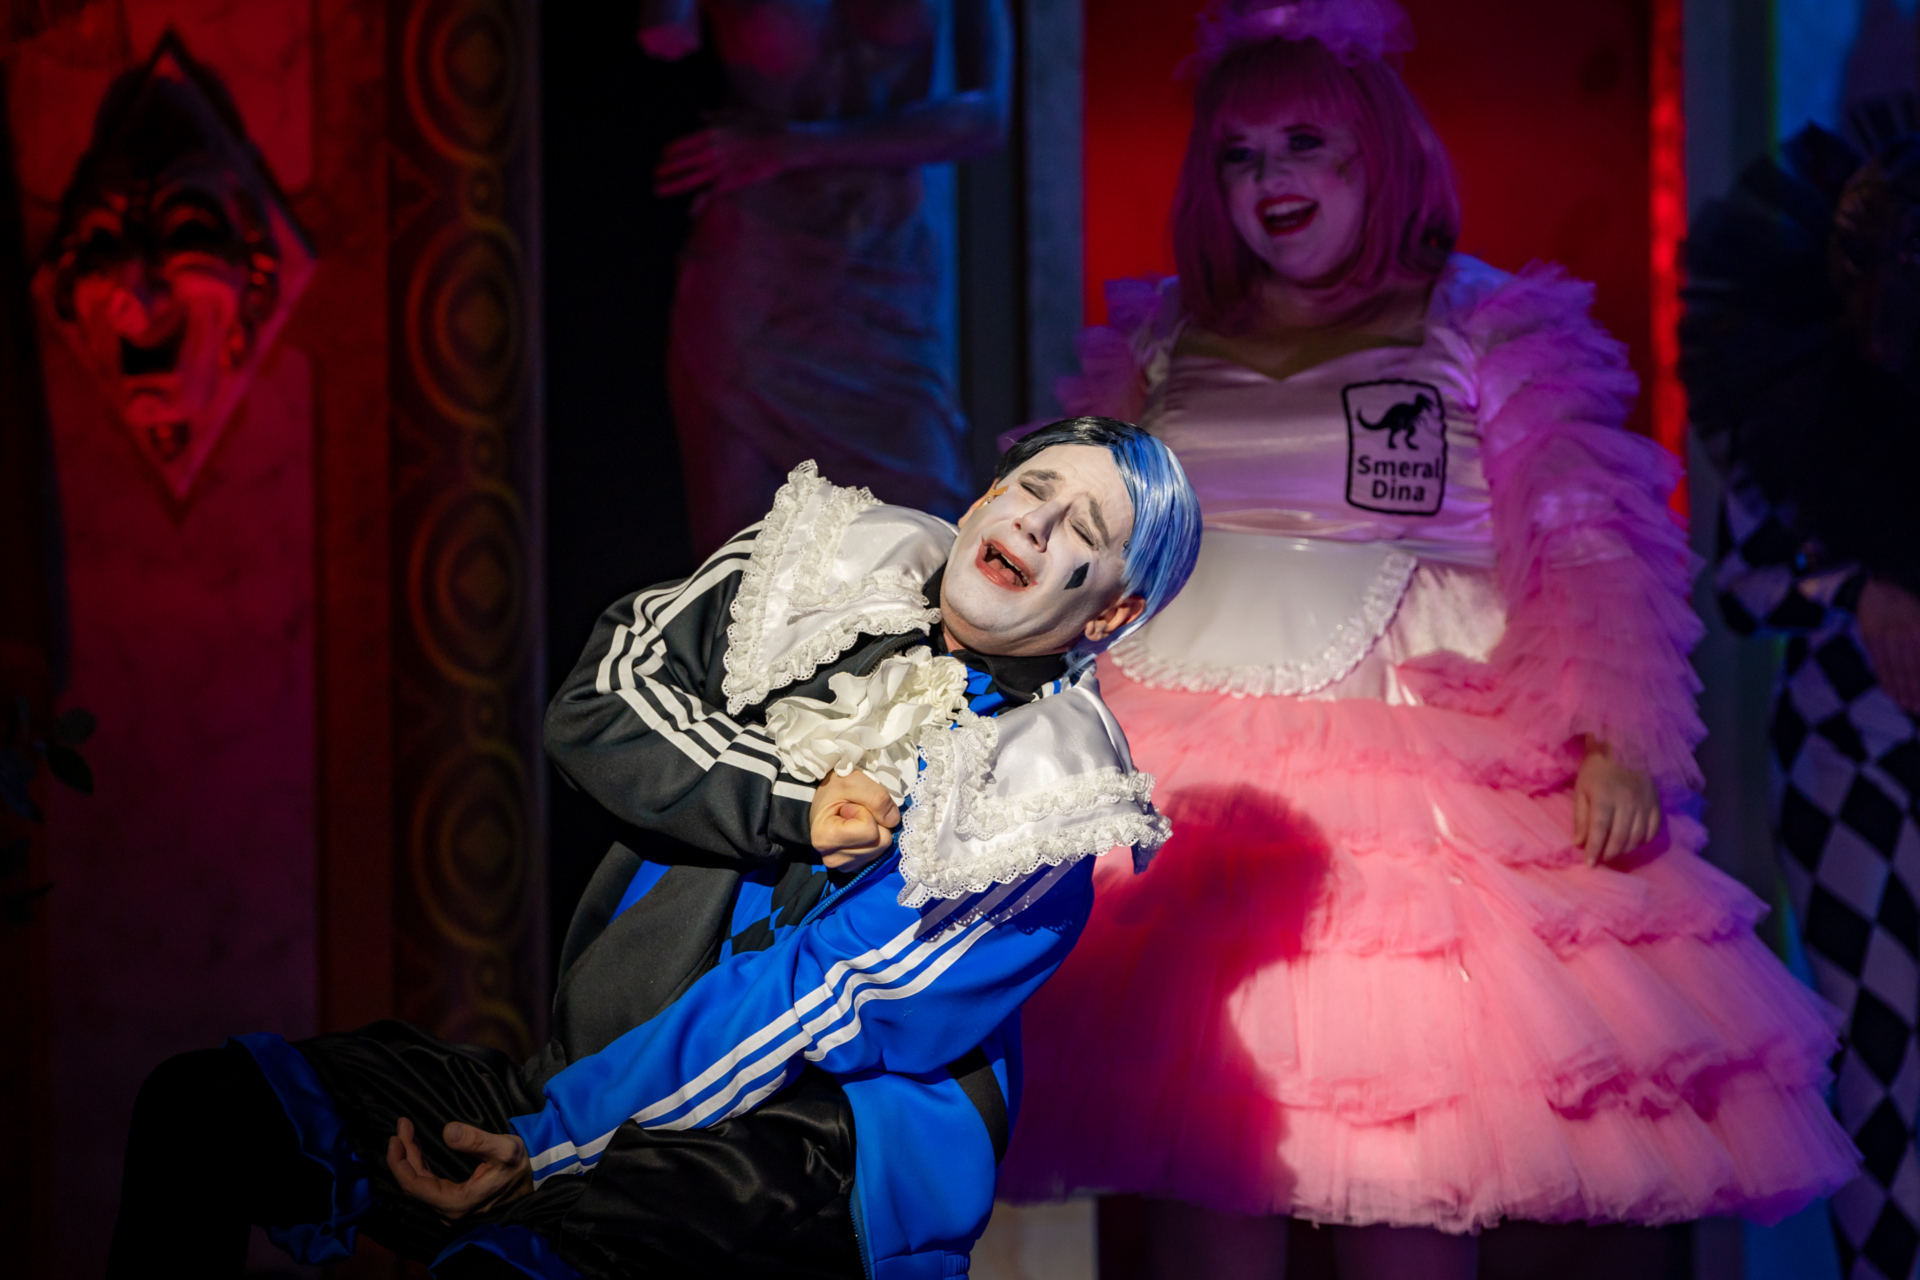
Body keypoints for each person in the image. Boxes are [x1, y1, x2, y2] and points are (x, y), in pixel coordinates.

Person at [997, 4, 1859, 1277]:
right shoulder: (1165, 339)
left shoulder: (1480, 321)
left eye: (1305, 143)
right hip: (1192, 784)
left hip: (1417, 780)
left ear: (1377, 154)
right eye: (1239, 153)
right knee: (1199, 1145)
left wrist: (1616, 736)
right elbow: (1090, 539)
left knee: (1407, 1166)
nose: (1270, 178)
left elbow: (1586, 538)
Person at [105, 418, 1202, 1280]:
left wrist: (552, 1150)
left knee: (509, 1267)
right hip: (582, 1083)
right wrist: (794, 800)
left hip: (795, 1165)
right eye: (1033, 487)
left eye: (1085, 532)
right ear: (986, 495)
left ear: (1111, 614)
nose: (1040, 522)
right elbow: (598, 707)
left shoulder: (1044, 793)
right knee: (201, 1109)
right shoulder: (825, 563)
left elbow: (810, 999)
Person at [1686, 117, 1920, 1280]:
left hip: (1853, 739)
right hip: (1849, 752)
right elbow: (1742, 582)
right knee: (1879, 1058)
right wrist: (1856, 591)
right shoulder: (1798, 387)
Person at [640, 0, 1011, 556]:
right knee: (743, 566)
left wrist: (793, 146)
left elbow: (985, 119)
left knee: (924, 547)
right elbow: (664, 36)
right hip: (758, 274)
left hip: (886, 274)